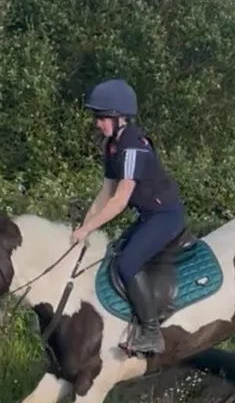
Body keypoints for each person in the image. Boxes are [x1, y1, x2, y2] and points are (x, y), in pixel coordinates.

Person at [71, 78, 186, 355]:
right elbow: (106, 192)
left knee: (127, 263)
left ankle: (152, 333)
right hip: (148, 216)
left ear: (119, 117)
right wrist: (84, 228)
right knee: (114, 253)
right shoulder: (111, 146)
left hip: (166, 216)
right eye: (97, 117)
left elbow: (120, 200)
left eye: (102, 117)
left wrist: (87, 230)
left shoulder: (133, 146)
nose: (97, 123)